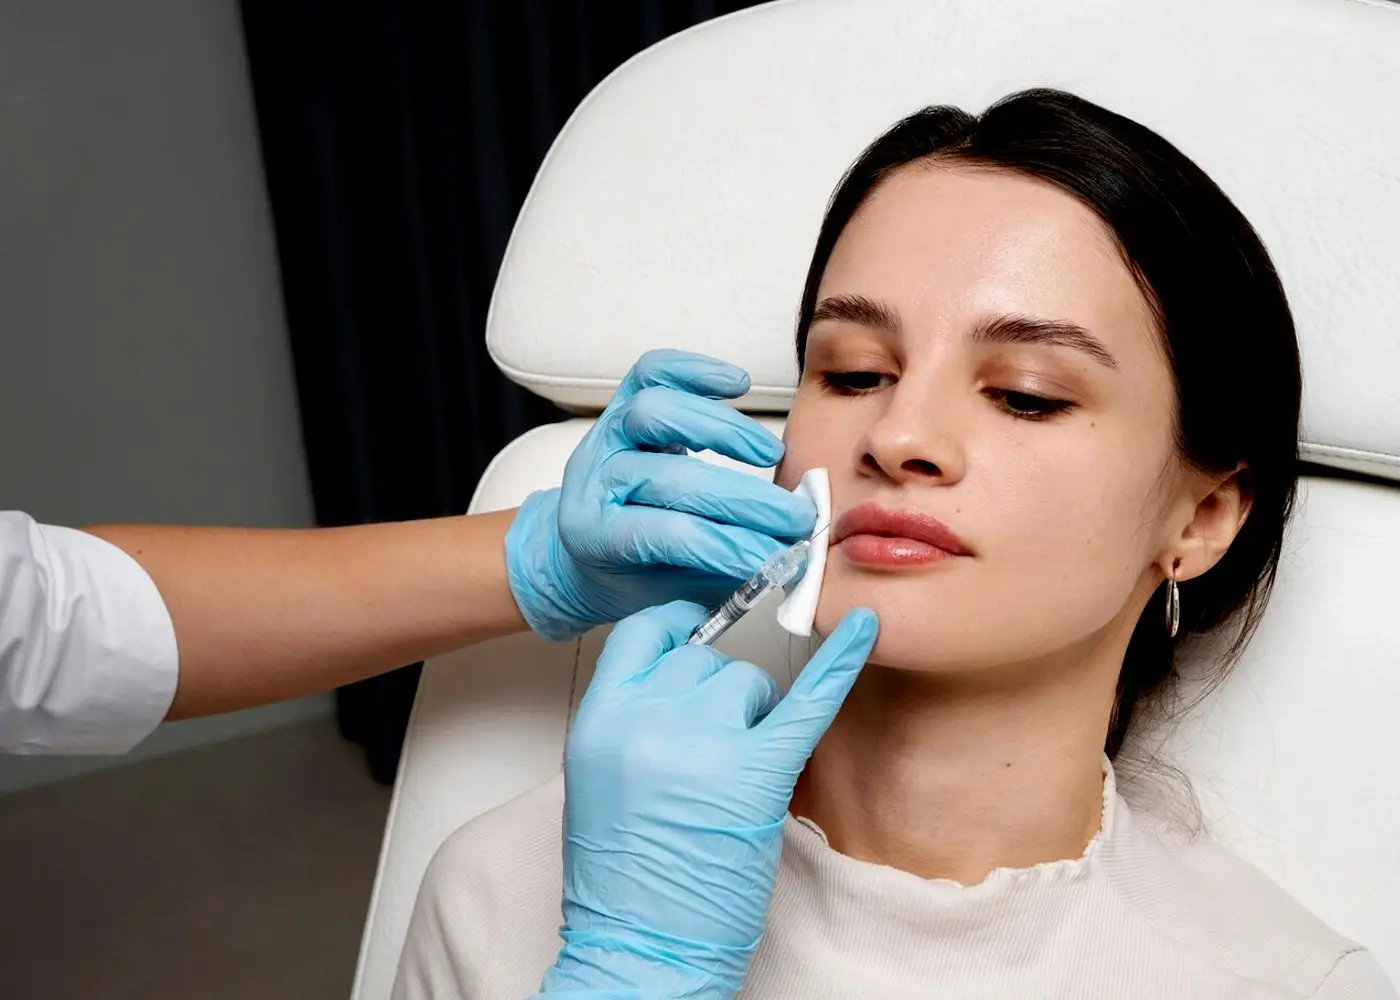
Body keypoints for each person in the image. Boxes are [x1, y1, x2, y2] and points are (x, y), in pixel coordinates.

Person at [392, 89, 1398, 999]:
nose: (897, 437)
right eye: (854, 373)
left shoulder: (1285, 982)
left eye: (1023, 394)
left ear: (1201, 517)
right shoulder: (509, 887)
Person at [0, 350, 816, 753]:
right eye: (855, 375)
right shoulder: (493, 881)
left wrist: (534, 564)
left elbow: (51, 623)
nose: (904, 439)